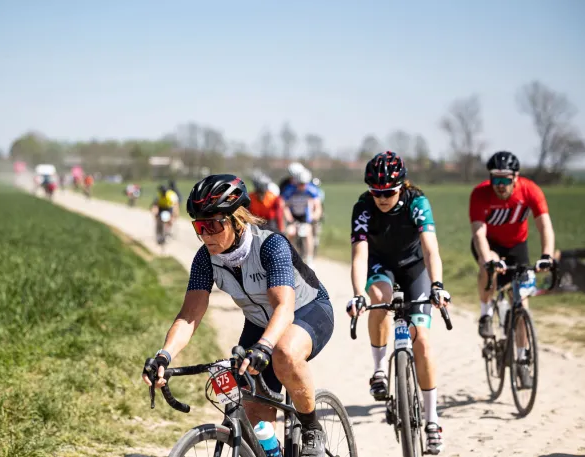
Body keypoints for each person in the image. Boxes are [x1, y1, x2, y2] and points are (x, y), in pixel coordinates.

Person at [142, 174, 334, 457]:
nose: (206, 235)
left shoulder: (270, 245)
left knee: (283, 353)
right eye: (199, 226)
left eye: (213, 225)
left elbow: (284, 306)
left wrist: (264, 347)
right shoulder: (205, 258)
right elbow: (189, 315)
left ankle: (311, 427)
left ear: (237, 219)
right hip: (260, 323)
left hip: (307, 311)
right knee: (253, 407)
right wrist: (164, 355)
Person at [346, 151, 450, 455]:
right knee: (378, 298)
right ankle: (379, 370)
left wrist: (438, 286)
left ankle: (432, 420)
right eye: (375, 191)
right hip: (381, 266)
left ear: (402, 186)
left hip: (415, 266)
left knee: (423, 342)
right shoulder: (363, 207)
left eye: (388, 192)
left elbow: (431, 250)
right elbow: (359, 254)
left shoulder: (417, 202)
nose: (381, 198)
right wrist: (357, 292)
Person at [470, 151, 555, 387]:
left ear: (515, 177)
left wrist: (547, 255)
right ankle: (486, 313)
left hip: (518, 246)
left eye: (505, 179)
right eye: (495, 179)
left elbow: (544, 225)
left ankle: (522, 361)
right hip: (490, 244)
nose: (499, 185)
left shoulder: (530, 191)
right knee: (489, 268)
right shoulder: (480, 194)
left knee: (521, 306)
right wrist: (488, 259)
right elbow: (478, 232)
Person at [282, 169, 322, 267]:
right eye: (300, 184)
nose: (302, 186)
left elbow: (317, 206)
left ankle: (309, 258)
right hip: (294, 216)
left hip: (306, 216)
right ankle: (288, 256)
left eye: (304, 184)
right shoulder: (290, 190)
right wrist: (289, 218)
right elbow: (285, 206)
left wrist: (314, 216)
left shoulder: (311, 190)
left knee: (308, 233)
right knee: (290, 233)